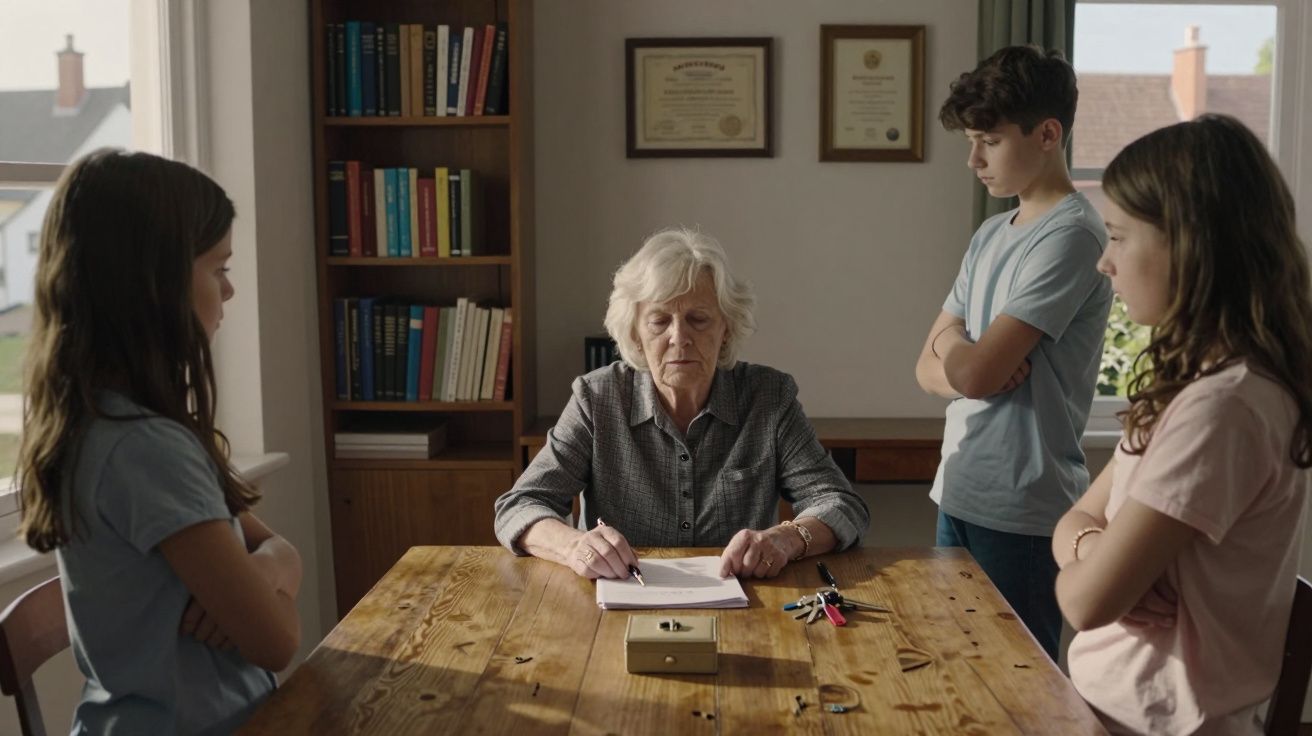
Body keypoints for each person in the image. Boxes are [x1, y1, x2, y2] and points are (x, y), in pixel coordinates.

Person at [15, 149, 302, 734]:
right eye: (218, 268)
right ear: (154, 283)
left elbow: (278, 548)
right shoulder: (145, 450)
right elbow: (278, 642)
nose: (230, 291)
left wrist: (269, 569)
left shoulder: (114, 424)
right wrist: (267, 581)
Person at [1054, 115, 1312, 735]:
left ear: (1189, 243)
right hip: (1112, 712)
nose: (1103, 264)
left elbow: (1084, 603)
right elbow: (1072, 521)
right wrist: (1093, 548)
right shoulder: (1194, 388)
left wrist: (1089, 563)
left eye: (1117, 237)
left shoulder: (1222, 408)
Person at [494, 227, 869, 579]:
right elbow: (520, 506)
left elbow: (840, 504)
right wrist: (574, 545)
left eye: (698, 319)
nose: (679, 338)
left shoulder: (768, 397)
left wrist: (786, 539)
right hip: (616, 605)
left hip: (747, 606)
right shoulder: (598, 398)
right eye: (659, 321)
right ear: (635, 334)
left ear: (726, 329)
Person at [915, 45, 1112, 660]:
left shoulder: (1074, 235)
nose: (974, 160)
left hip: (1024, 507)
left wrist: (957, 354)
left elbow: (967, 369)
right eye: (972, 141)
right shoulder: (990, 234)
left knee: (1022, 690)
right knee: (956, 668)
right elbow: (931, 369)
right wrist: (960, 355)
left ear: (1048, 133)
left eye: (989, 141)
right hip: (959, 489)